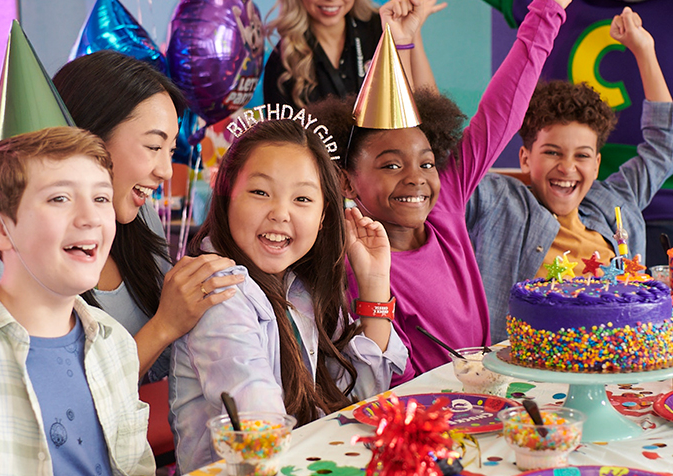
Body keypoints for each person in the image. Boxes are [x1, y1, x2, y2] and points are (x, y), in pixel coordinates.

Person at [309, 0, 569, 384]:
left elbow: (502, 112)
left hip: (485, 398)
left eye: (427, 163)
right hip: (422, 417)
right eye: (391, 165)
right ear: (346, 181)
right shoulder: (352, 264)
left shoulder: (443, 205)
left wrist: (546, 12)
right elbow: (375, 377)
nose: (416, 178)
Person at [0, 50, 243, 381]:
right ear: (89, 139)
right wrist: (164, 325)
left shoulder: (139, 217)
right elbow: (40, 395)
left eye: (170, 151)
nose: (166, 171)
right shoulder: (2, 251)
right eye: (153, 147)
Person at [168, 117, 408, 474]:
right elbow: (257, 419)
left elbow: (357, 402)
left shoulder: (300, 285)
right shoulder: (217, 289)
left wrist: (374, 282)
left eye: (302, 198)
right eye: (261, 192)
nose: (280, 213)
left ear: (325, 215)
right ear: (226, 193)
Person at [467, 7, 673, 342]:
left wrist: (644, 50)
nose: (567, 168)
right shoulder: (497, 202)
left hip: (615, 370)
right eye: (552, 152)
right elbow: (455, 161)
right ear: (524, 157)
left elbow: (664, 145)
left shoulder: (613, 202)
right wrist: (405, 45)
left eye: (582, 156)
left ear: (596, 163)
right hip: (524, 378)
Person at [0, 126, 154, 476]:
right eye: (59, 198)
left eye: (101, 198)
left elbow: (136, 470)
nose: (91, 218)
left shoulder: (116, 344)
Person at [263, 0, 444, 108]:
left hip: (387, 164)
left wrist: (413, 32)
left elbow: (429, 107)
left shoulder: (383, 26)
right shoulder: (283, 62)